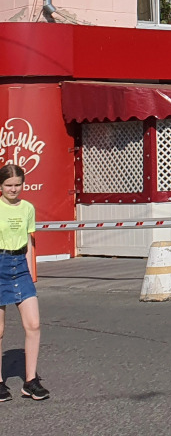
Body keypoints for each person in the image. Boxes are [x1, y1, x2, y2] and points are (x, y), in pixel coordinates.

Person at [0, 164, 49, 401]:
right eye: (8, 185)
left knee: (34, 324)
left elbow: (30, 242)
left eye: (17, 185)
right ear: (1, 185)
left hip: (20, 267)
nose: (13, 189)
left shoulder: (28, 208)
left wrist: (31, 273)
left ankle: (30, 382)